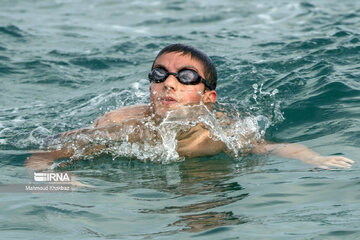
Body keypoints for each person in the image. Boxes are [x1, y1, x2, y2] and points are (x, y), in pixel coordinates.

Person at [25, 43, 354, 170]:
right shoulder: (124, 127)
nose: (169, 83)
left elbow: (272, 148)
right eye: (160, 74)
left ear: (208, 97)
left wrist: (315, 158)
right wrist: (59, 184)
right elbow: (42, 157)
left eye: (185, 77)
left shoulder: (220, 133)